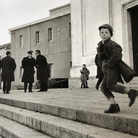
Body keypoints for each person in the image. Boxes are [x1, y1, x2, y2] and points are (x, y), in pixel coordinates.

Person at [97, 24, 138, 113]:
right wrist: (101, 65)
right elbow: (100, 57)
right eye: (102, 33)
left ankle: (131, 92)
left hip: (113, 68)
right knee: (104, 88)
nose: (104, 34)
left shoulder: (113, 44)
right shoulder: (101, 45)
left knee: (110, 85)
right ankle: (113, 105)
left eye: (106, 32)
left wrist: (108, 64)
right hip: (106, 69)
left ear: (111, 34)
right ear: (99, 34)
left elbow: (117, 55)